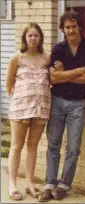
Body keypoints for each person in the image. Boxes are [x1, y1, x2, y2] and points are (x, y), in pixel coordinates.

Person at [38, 10, 85, 202]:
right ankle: (49, 184)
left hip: (78, 104)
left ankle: (63, 185)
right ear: (62, 29)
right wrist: (79, 71)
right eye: (67, 27)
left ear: (79, 27)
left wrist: (66, 74)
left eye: (74, 26)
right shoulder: (58, 49)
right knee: (53, 144)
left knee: (73, 147)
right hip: (57, 101)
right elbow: (54, 77)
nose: (71, 30)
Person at [6, 23, 51, 200]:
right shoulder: (16, 58)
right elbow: (9, 84)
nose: (33, 38)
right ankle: (12, 183)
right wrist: (21, 100)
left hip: (41, 107)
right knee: (17, 146)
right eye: (30, 35)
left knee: (33, 145)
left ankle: (30, 183)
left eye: (36, 35)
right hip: (20, 108)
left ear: (40, 38)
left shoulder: (47, 58)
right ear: (25, 38)